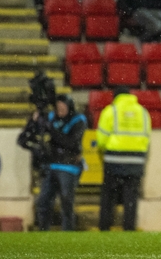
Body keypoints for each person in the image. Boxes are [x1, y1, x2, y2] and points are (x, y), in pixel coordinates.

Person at [97, 86, 151, 231]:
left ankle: (105, 227)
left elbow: (101, 140)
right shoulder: (143, 112)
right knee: (130, 198)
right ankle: (129, 227)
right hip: (136, 161)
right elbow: (147, 138)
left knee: (109, 196)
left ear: (115, 96)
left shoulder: (111, 111)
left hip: (114, 160)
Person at [35, 95, 87, 231]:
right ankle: (43, 232)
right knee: (43, 202)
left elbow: (70, 142)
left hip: (68, 166)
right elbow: (39, 132)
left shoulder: (78, 120)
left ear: (69, 107)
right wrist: (37, 120)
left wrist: (50, 129)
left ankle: (67, 233)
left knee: (66, 202)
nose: (60, 110)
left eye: (63, 107)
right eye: (58, 108)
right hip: (51, 164)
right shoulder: (52, 117)